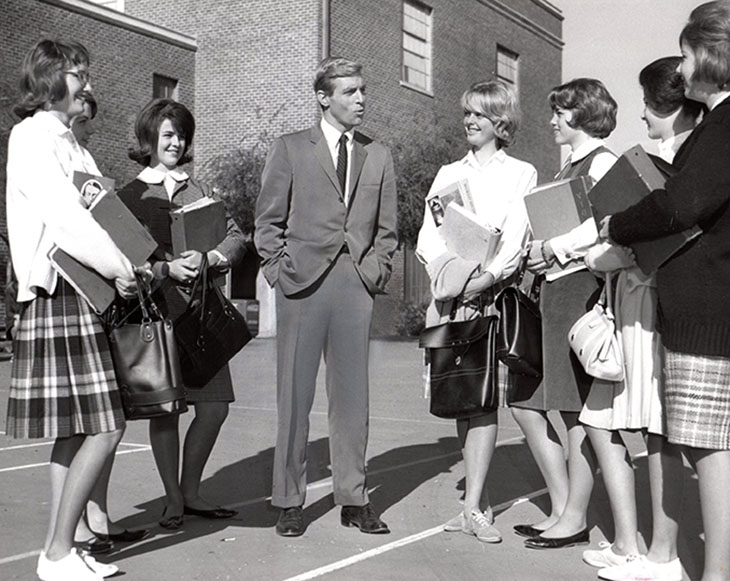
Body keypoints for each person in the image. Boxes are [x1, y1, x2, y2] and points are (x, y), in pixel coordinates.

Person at [5, 39, 143, 581]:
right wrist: (117, 265)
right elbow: (65, 218)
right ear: (48, 78)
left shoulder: (71, 144)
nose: (87, 84)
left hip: (83, 292)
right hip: (60, 291)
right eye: (77, 73)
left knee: (76, 428)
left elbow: (99, 212)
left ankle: (65, 546)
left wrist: (125, 263)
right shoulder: (32, 136)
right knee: (106, 427)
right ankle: (56, 554)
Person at [603, 3, 730, 579]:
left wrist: (618, 225)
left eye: (684, 53)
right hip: (707, 304)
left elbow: (680, 204)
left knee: (708, 447)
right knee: (709, 445)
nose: (680, 68)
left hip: (706, 308)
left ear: (709, 54)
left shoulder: (723, 126)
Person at [254, 56, 397, 537]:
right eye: (350, 92)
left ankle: (354, 498)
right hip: (301, 285)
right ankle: (289, 500)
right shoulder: (291, 148)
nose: (361, 100)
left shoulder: (378, 155)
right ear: (324, 97)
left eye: (362, 90)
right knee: (294, 400)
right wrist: (278, 270)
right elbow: (267, 222)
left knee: (353, 401)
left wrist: (375, 271)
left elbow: (387, 230)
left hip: (355, 285)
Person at [578, 57, 702, 580]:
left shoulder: (687, 166)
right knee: (649, 429)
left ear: (673, 107)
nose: (644, 117)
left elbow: (646, 242)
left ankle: (662, 555)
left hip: (656, 307)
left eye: (651, 106)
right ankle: (645, 548)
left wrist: (607, 244)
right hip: (638, 303)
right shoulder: (667, 159)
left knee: (659, 430)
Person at [416, 80, 536, 543]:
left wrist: (485, 279)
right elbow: (429, 236)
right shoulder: (447, 172)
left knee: (483, 400)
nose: (469, 120)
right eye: (466, 112)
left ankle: (473, 508)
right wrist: (450, 274)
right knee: (461, 400)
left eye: (479, 115)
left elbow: (516, 238)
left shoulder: (521, 173)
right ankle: (475, 504)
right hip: (451, 296)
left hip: (489, 297)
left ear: (500, 123)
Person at [119, 98, 246, 529]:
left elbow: (236, 239)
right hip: (158, 316)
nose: (176, 142)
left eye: (181, 135)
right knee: (168, 412)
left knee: (213, 408)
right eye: (168, 134)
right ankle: (173, 498)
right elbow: (121, 261)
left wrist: (210, 257)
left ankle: (191, 490)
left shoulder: (202, 192)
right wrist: (165, 269)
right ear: (150, 138)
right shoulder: (130, 196)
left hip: (202, 315)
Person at [510, 78, 618, 549]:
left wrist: (552, 247)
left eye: (561, 111)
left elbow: (602, 226)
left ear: (583, 113)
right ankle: (564, 510)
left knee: (575, 409)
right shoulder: (570, 165)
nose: (553, 120)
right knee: (554, 403)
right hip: (555, 289)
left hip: (580, 290)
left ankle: (574, 517)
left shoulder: (604, 161)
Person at [67, 93, 151, 552]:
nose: (87, 128)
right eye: (83, 121)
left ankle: (95, 513)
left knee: (106, 415)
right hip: (82, 289)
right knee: (87, 421)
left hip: (104, 294)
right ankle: (76, 523)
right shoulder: (58, 155)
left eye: (90, 122)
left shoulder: (84, 158)